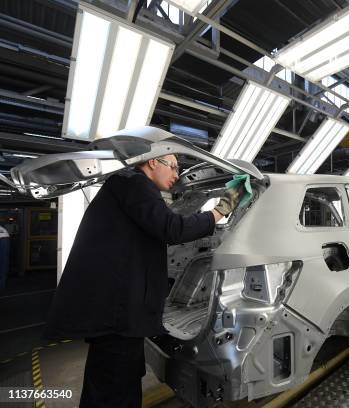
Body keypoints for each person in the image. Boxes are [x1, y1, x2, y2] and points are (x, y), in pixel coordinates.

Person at [43, 154, 243, 408]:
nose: (176, 175)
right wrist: (220, 210)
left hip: (118, 313)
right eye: (173, 167)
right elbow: (172, 228)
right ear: (152, 163)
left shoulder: (126, 186)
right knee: (113, 387)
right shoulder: (133, 183)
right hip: (118, 316)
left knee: (115, 381)